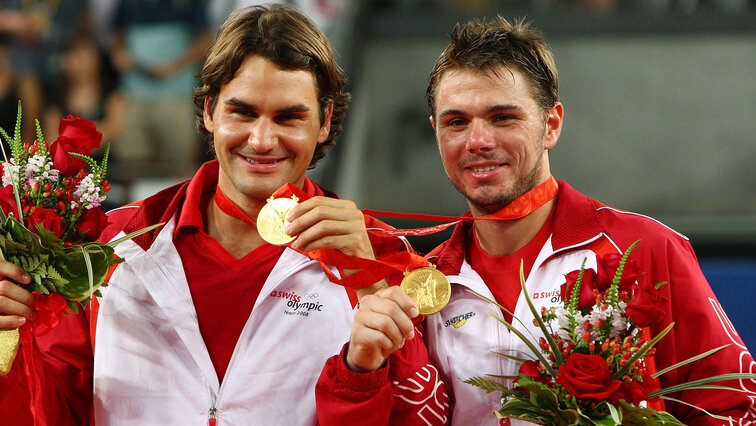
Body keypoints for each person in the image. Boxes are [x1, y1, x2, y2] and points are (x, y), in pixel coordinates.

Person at [0, 5, 447, 424]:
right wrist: (6, 347)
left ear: (325, 121)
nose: (262, 139)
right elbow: (51, 408)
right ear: (211, 109)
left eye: (290, 117)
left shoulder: (382, 257)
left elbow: (422, 416)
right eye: (243, 112)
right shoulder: (110, 245)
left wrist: (366, 333)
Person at [316, 16, 755, 425]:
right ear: (435, 132)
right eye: (456, 122)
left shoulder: (643, 249)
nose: (478, 141)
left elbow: (734, 404)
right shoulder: (425, 287)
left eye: (503, 117)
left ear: (551, 125)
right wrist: (361, 368)